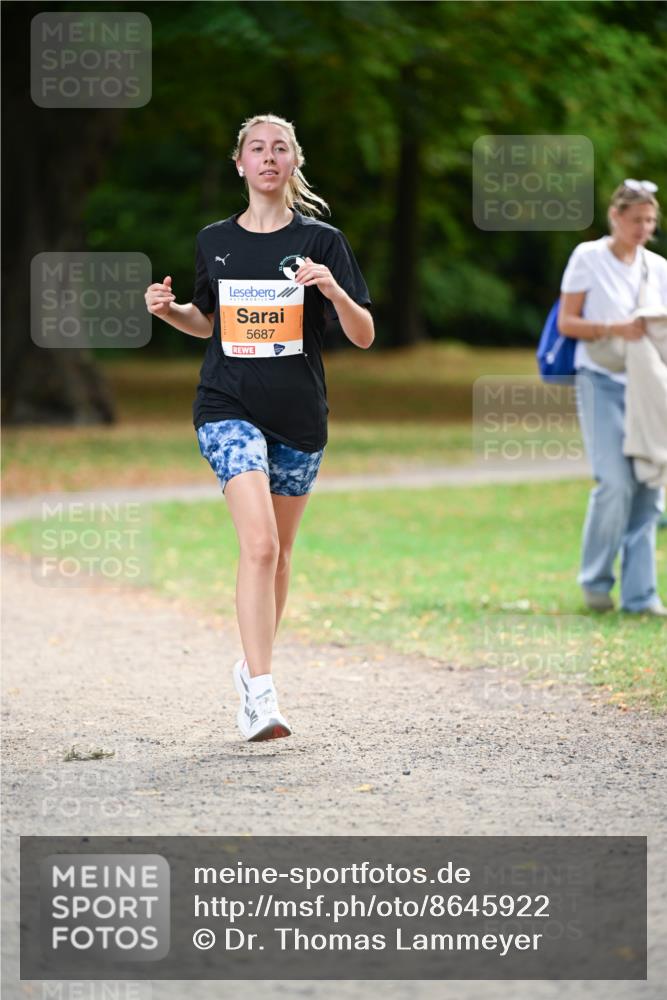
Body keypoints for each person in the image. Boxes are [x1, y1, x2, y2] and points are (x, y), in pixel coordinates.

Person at [144, 114, 374, 740]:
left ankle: (250, 669)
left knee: (281, 555)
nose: (268, 157)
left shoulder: (322, 242)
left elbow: (363, 334)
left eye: (280, 149)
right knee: (261, 545)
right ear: (240, 163)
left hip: (299, 417)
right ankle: (263, 697)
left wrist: (334, 290)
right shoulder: (214, 240)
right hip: (227, 406)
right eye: (257, 148)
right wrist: (170, 312)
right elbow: (207, 321)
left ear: (294, 162)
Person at [558, 179, 667, 615]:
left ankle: (641, 596)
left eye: (651, 220)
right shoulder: (588, 258)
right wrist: (613, 328)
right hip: (600, 380)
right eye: (637, 219)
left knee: (648, 485)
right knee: (615, 484)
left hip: (648, 386)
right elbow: (567, 323)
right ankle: (596, 581)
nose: (644, 228)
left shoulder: (657, 267)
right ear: (616, 217)